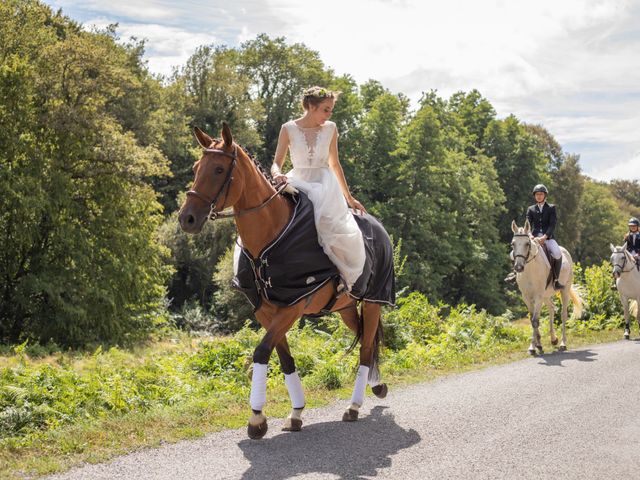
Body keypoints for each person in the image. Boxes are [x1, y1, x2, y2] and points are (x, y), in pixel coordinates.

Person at [270, 86, 366, 291]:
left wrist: (349, 197)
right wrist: (277, 174)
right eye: (326, 109)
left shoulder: (331, 128)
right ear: (311, 107)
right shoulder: (288, 128)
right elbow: (276, 162)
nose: (329, 114)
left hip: (324, 183)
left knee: (331, 223)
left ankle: (337, 276)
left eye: (331, 110)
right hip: (298, 180)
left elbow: (335, 164)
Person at [526, 184, 564, 290]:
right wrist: (529, 235)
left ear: (545, 195)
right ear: (534, 196)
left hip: (548, 237)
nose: (539, 196)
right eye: (537, 194)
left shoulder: (551, 208)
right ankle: (515, 274)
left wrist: (545, 237)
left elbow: (552, 224)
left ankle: (556, 280)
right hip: (533, 238)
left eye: (541, 194)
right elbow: (527, 223)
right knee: (518, 251)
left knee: (557, 254)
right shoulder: (531, 209)